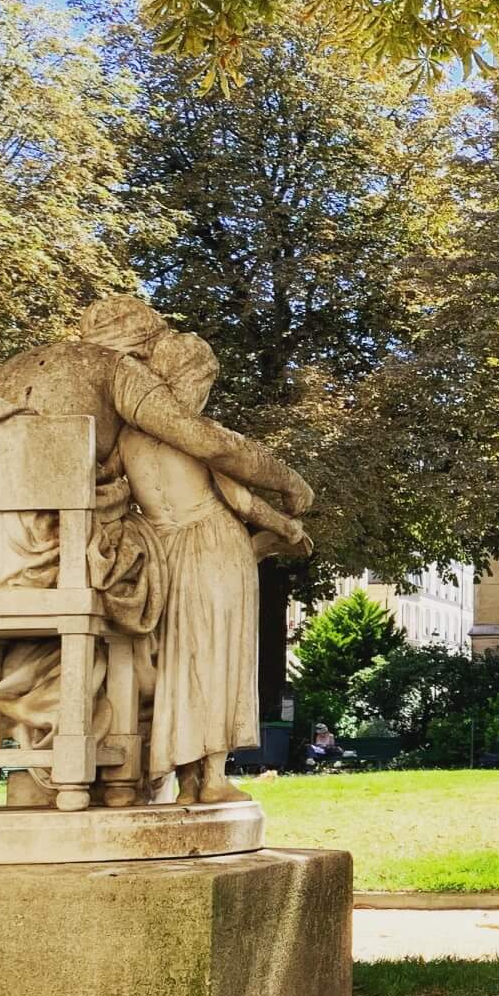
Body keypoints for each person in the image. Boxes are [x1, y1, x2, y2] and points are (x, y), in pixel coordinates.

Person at [120, 329, 309, 804]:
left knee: (178, 666)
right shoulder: (193, 433)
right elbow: (242, 499)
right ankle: (214, 778)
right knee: (218, 659)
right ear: (190, 379)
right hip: (212, 547)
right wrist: (286, 528)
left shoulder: (126, 438)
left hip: (163, 551)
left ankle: (185, 782)